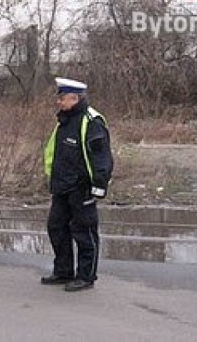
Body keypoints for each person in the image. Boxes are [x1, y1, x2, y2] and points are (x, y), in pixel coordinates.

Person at [41, 77, 113, 292]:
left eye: (62, 98)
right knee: (56, 228)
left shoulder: (92, 121)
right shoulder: (64, 120)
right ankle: (63, 271)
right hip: (62, 186)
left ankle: (86, 276)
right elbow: (56, 153)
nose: (59, 102)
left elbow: (101, 157)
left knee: (84, 232)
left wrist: (99, 186)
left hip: (82, 188)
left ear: (75, 98)